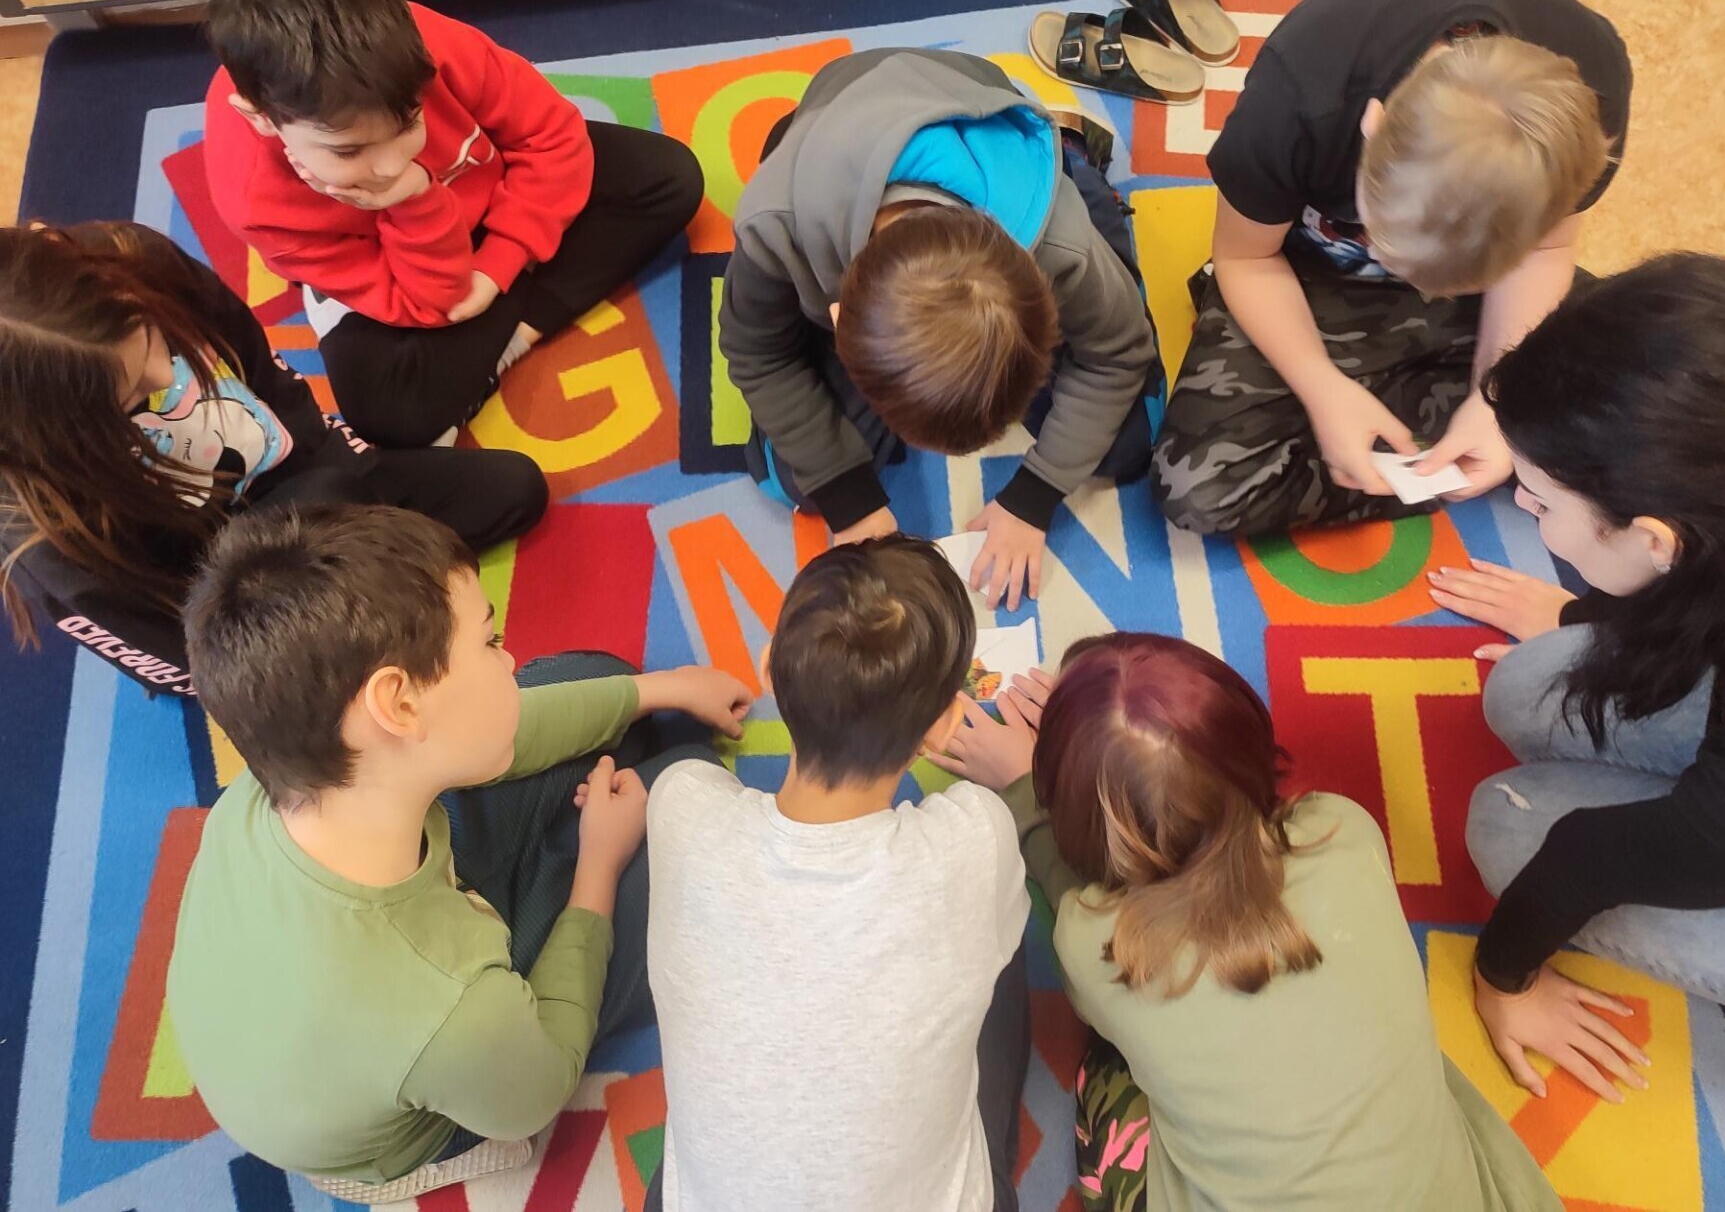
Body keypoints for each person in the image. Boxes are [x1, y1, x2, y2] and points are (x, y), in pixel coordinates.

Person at [1424, 252, 1725, 1088]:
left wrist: (1504, 981)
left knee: (1510, 827)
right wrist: (1577, 614)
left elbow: (1585, 859)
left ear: (1659, 541)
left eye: (1540, 501)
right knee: (1525, 689)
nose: (1526, 508)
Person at [166, 503, 752, 1200]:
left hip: (361, 982)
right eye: (490, 641)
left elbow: (493, 733)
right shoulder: (450, 1011)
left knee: (610, 689)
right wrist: (600, 862)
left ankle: (562, 836)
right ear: (399, 705)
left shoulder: (279, 779)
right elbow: (542, 1082)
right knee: (691, 796)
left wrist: (659, 689)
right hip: (434, 1064)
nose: (509, 658)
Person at [932, 631, 1563, 1212]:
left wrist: (1027, 789)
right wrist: (1101, 754)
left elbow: (1086, 901)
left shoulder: (1097, 943)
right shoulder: (1344, 828)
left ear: (1084, 828)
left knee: (1110, 1068)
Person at [1152, 0, 1631, 537]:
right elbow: (1246, 258)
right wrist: (1321, 386)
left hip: (1497, 294)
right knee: (1200, 489)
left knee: (1659, 393)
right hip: (1314, 276)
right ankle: (1430, 410)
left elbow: (1545, 255)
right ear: (1372, 124)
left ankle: (1433, 405)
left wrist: (1495, 396)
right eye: (1381, 238)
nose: (1419, 289)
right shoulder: (1301, 92)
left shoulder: (1586, 101)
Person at [200, 0, 704, 449]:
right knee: (388, 415)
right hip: (401, 269)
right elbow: (428, 303)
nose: (391, 164)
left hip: (492, 201)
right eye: (348, 150)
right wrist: (413, 199)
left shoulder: (421, 42)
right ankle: (518, 306)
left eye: (409, 122)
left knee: (669, 178)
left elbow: (552, 133)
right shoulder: (255, 200)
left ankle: (508, 339)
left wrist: (500, 262)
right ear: (261, 118)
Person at [645, 534, 1031, 1211]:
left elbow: (691, 783)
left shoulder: (679, 806)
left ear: (768, 667)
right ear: (943, 726)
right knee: (997, 938)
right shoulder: (978, 838)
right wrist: (1028, 777)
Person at [0, 220, 547, 695]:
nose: (168, 376)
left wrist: (343, 479)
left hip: (305, 483)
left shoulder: (131, 259)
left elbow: (263, 371)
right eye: (134, 397)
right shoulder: (44, 538)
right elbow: (191, 658)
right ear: (61, 434)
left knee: (513, 491)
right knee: (410, 660)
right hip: (229, 599)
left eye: (153, 339)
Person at [720, 47, 1161, 611]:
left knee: (1129, 444)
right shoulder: (772, 228)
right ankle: (790, 133)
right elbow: (757, 354)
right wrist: (849, 499)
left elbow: (1117, 354)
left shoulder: (1058, 246)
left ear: (1042, 306)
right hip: (823, 147)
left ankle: (1076, 168)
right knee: (795, 483)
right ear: (837, 318)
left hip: (999, 144)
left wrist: (1035, 495)